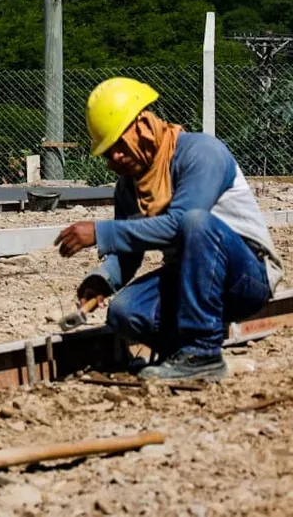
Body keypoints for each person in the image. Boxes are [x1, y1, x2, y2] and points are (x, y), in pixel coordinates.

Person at [56, 77, 283, 381]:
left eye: (119, 144)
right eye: (108, 152)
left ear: (143, 126)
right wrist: (103, 280)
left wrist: (100, 232)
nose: (115, 158)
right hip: (190, 280)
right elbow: (129, 252)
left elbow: (180, 224)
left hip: (245, 277)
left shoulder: (202, 152)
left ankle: (202, 353)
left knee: (195, 222)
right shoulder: (128, 187)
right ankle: (183, 355)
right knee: (125, 311)